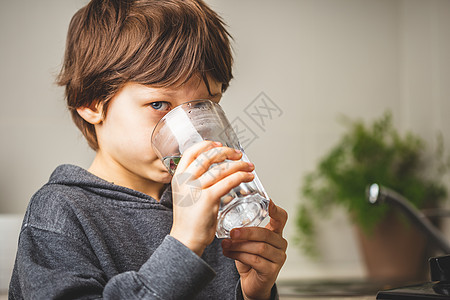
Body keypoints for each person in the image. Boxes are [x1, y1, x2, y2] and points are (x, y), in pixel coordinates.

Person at [9, 0, 288, 299]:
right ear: (90, 102)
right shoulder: (59, 212)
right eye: (159, 105)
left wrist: (253, 294)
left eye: (205, 106)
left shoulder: (212, 203)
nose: (190, 136)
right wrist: (183, 245)